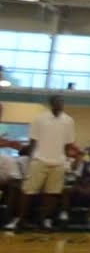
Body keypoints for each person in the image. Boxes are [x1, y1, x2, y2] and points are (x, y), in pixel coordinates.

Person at [5, 95, 78, 231]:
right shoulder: (39, 119)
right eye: (57, 102)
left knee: (52, 193)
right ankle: (20, 220)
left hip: (58, 162)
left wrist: (65, 160)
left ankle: (44, 221)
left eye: (62, 102)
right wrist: (31, 160)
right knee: (28, 191)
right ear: (51, 103)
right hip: (39, 160)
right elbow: (33, 141)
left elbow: (68, 144)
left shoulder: (69, 121)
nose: (60, 104)